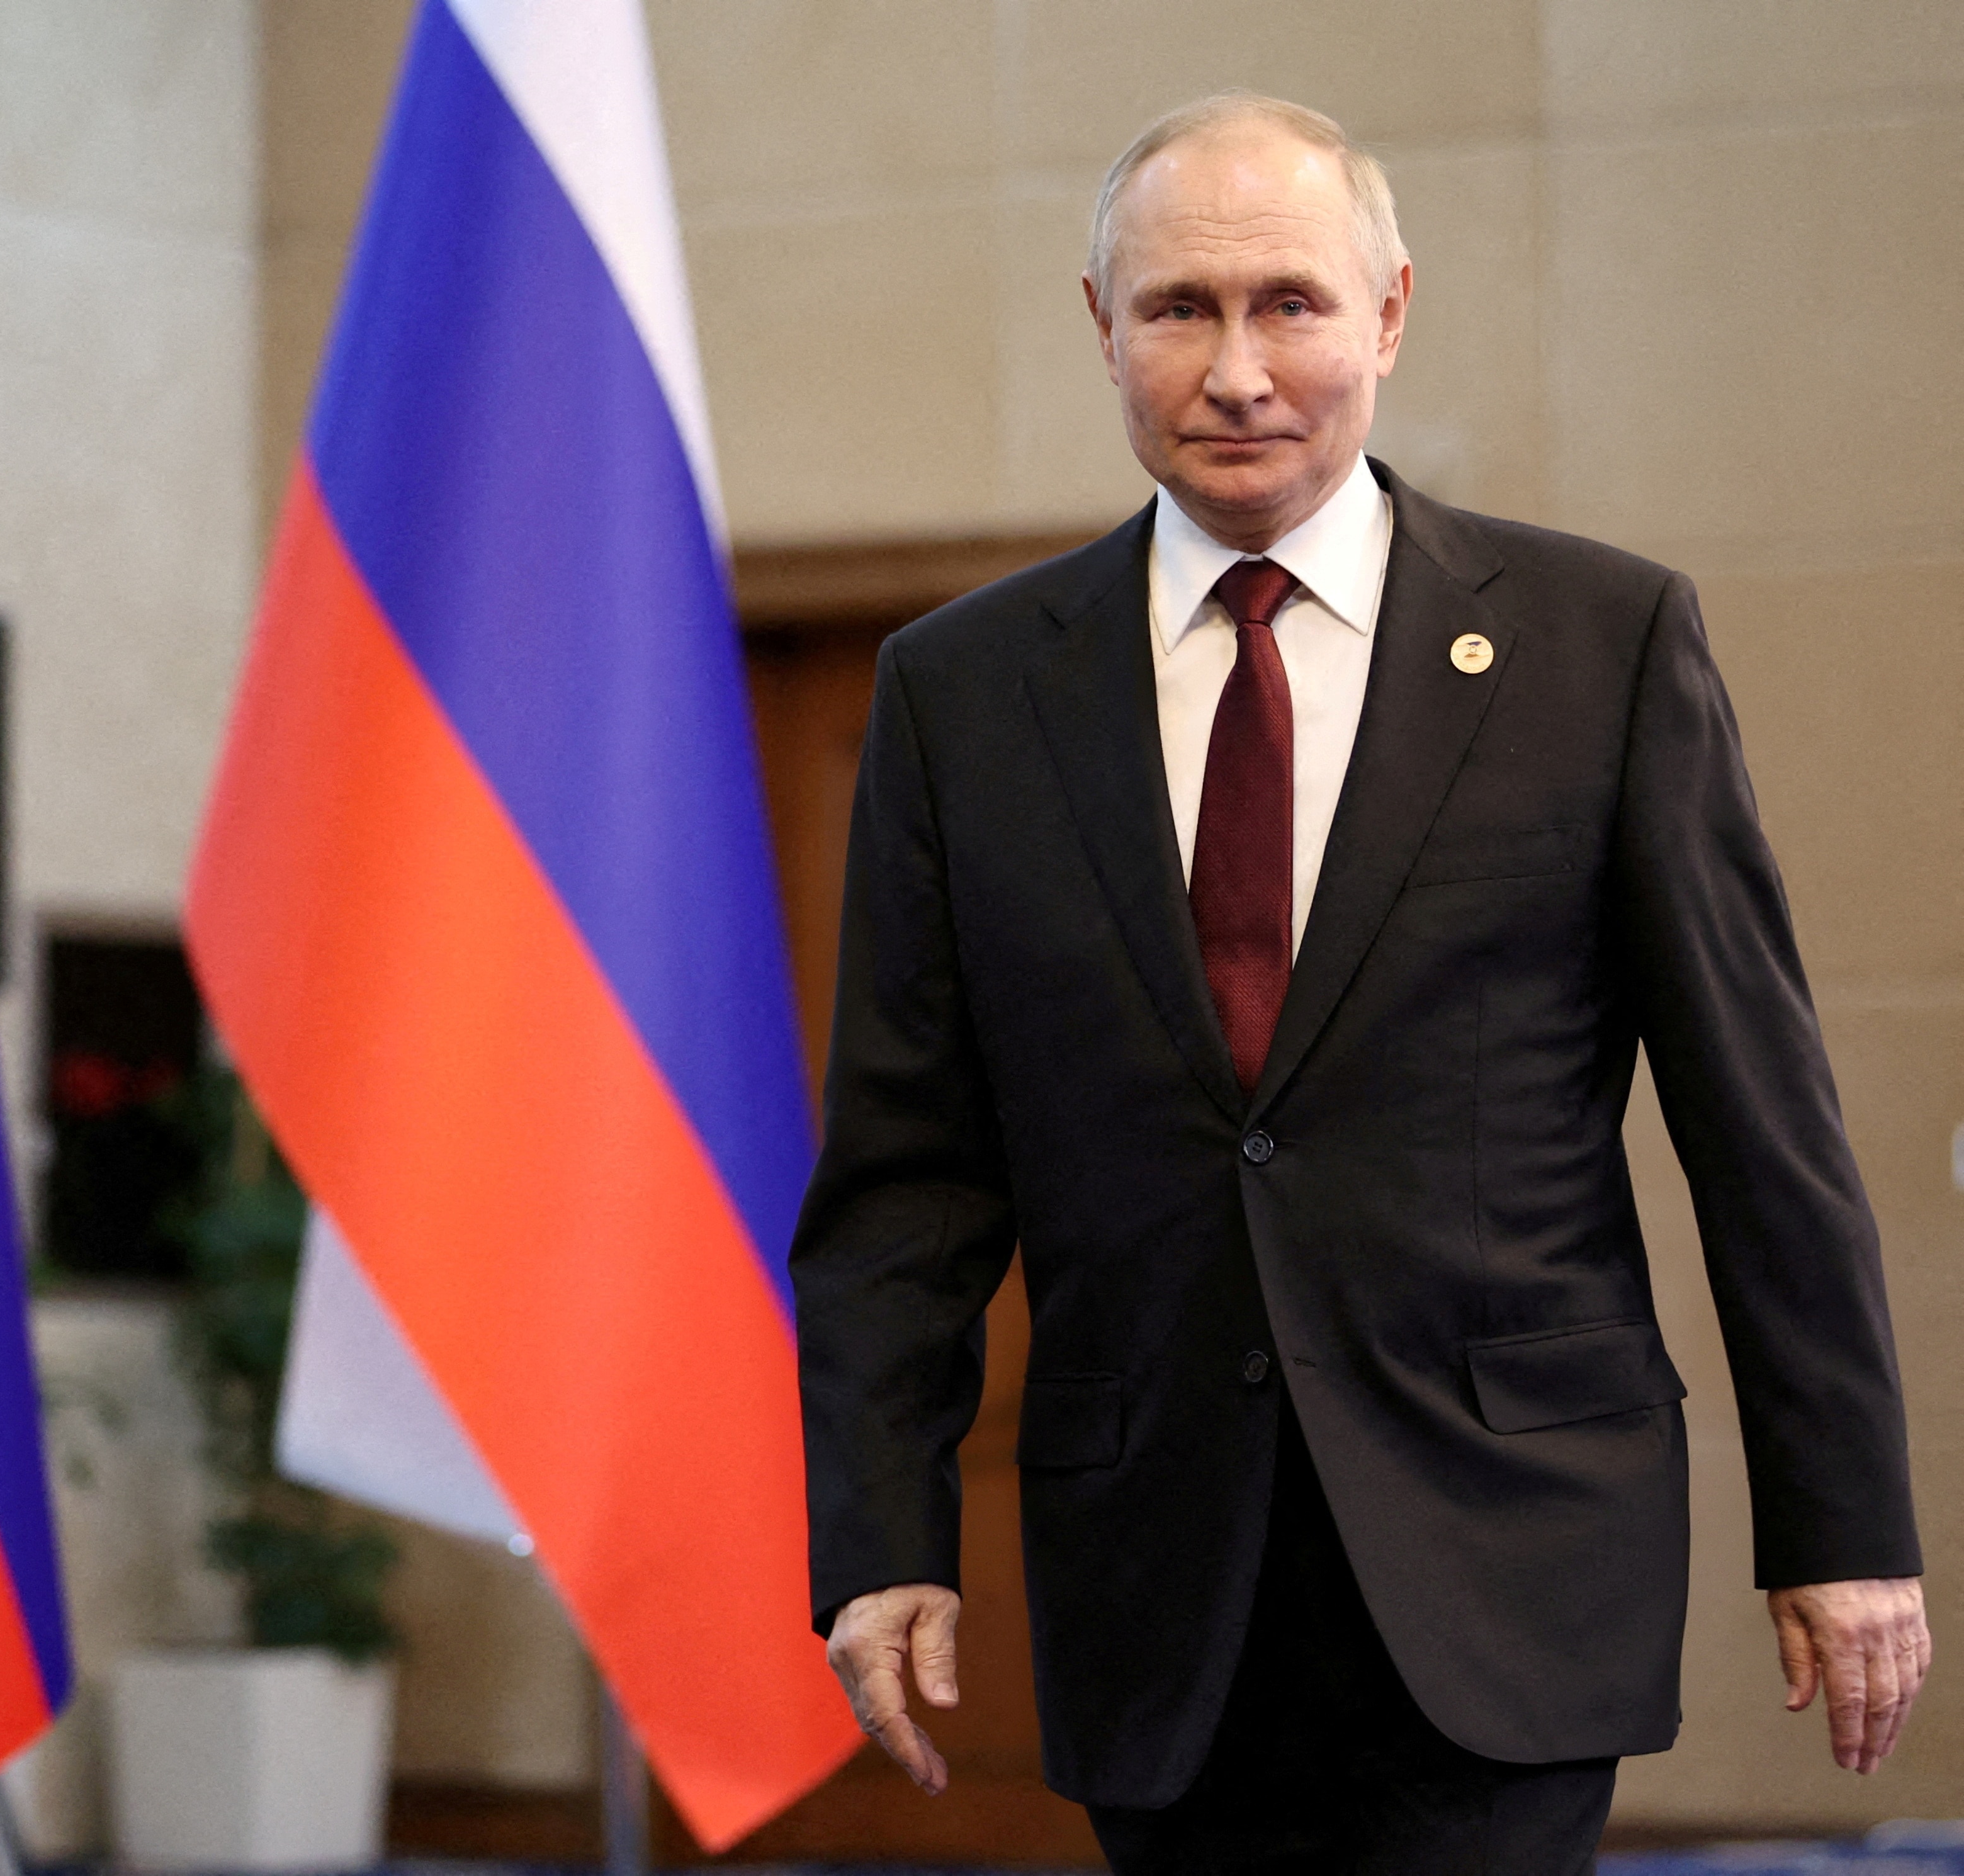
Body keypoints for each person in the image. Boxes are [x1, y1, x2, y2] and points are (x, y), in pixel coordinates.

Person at [791, 92, 1929, 1875]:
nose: (1239, 367)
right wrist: (881, 1532)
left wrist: (1843, 1522)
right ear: (1103, 327)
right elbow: (903, 1177)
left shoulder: (1597, 646)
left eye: (1291, 304)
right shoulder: (965, 692)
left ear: (1390, 312)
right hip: (1152, 1577)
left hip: (1511, 1557)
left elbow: (1761, 1125)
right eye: (1179, 309)